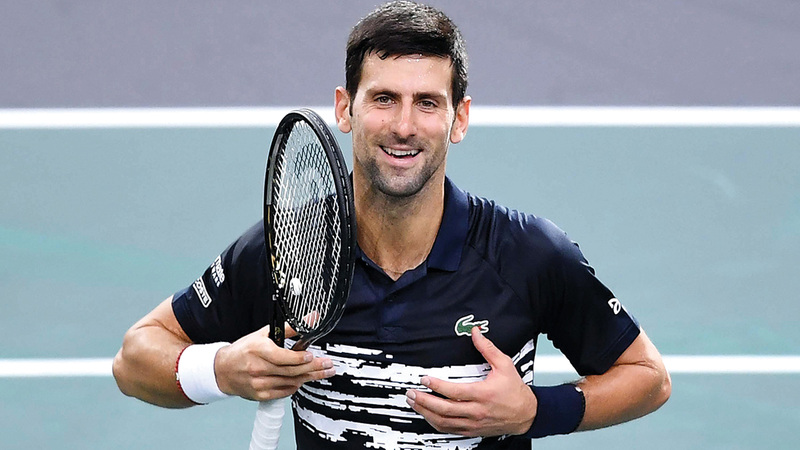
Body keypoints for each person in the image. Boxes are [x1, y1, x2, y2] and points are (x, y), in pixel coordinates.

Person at [112, 1, 671, 448]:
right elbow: (135, 359)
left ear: (459, 119)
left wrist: (536, 411)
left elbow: (647, 375)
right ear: (345, 108)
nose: (404, 126)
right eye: (384, 98)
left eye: (427, 102)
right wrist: (221, 369)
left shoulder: (526, 254)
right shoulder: (291, 249)